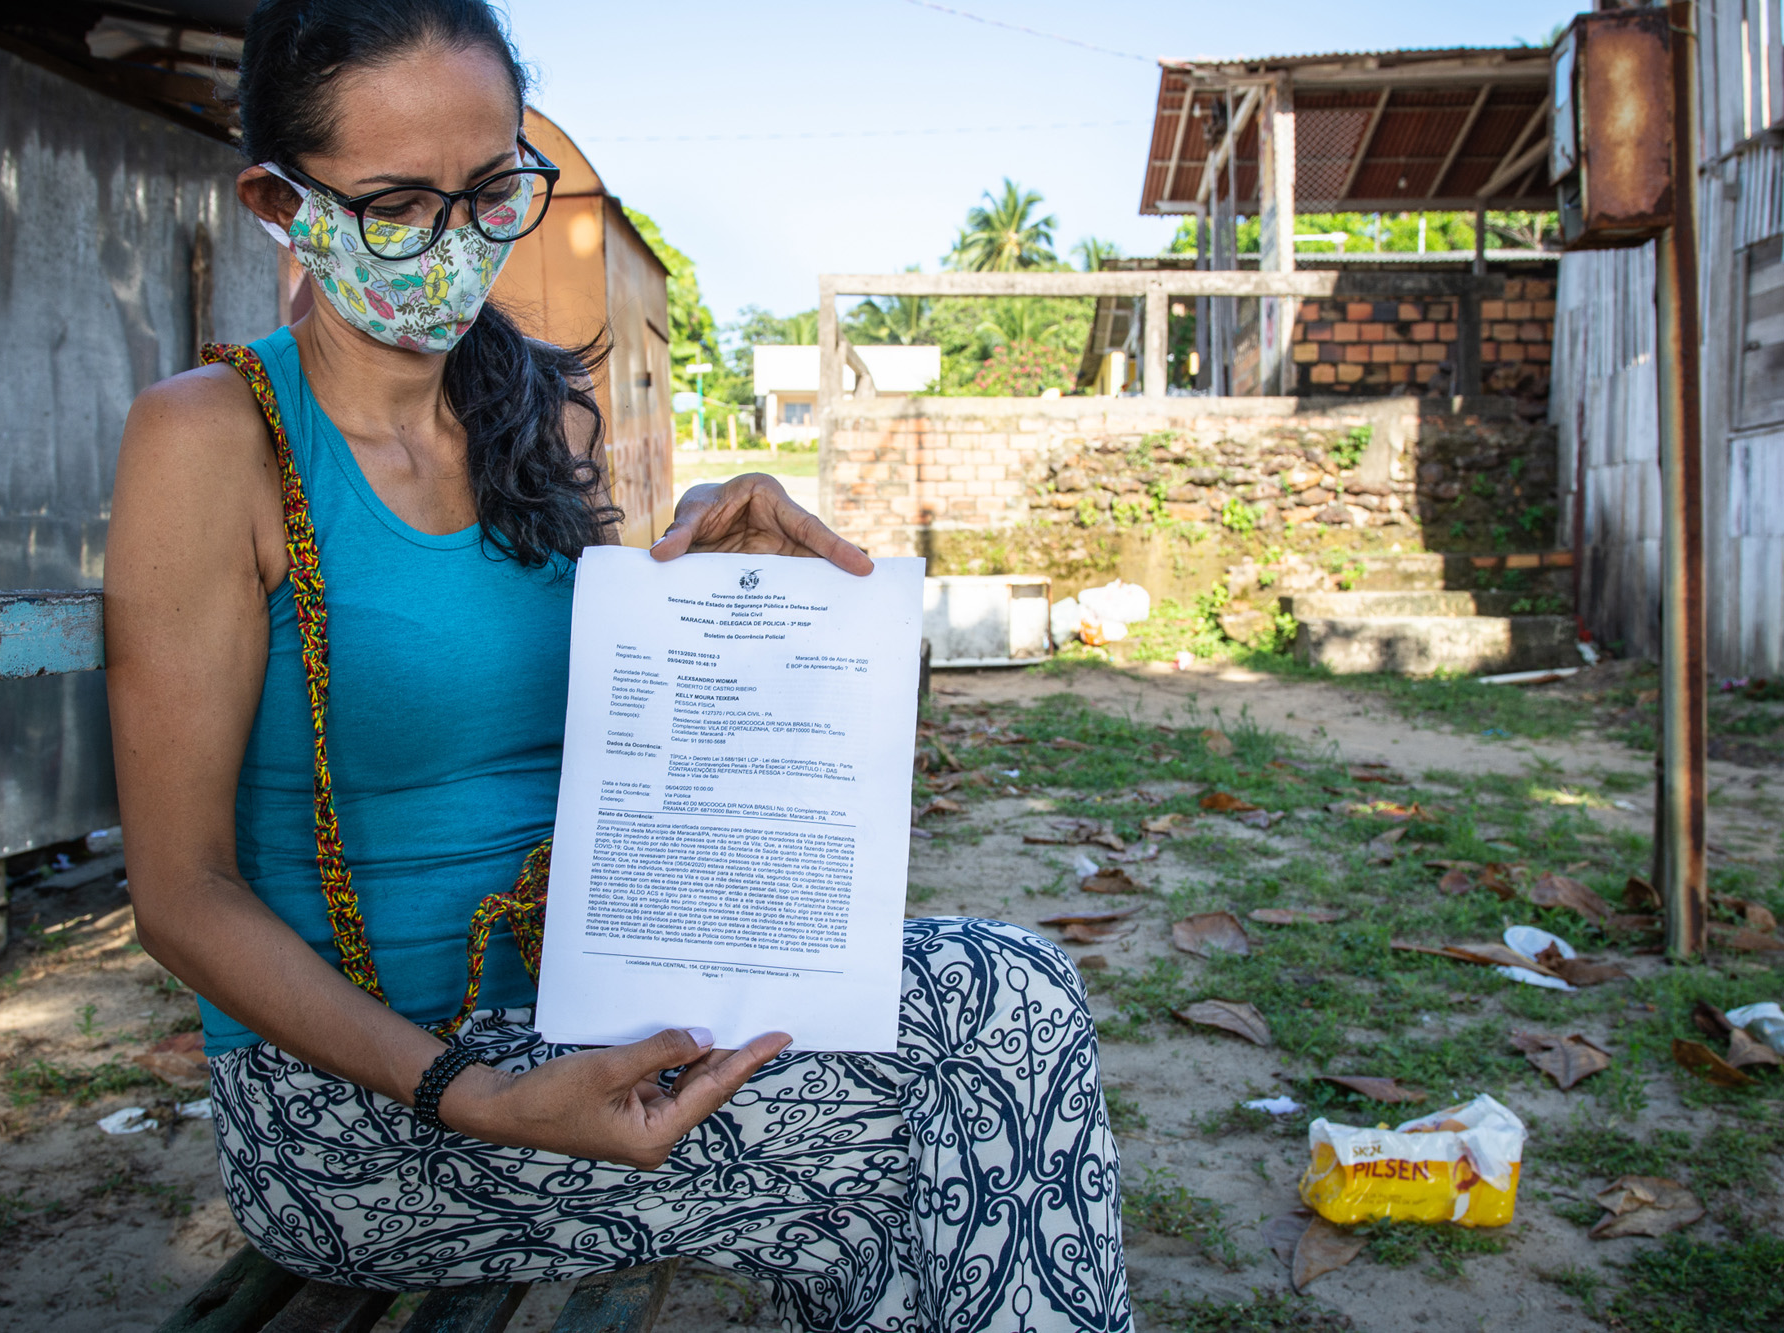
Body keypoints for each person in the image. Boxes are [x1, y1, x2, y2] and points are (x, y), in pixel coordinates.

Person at [104, 2, 1130, 1328]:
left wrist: (734, 601)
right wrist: (466, 1089)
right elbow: (179, 895)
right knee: (984, 1060)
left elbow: (615, 751)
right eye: (399, 205)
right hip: (366, 1109)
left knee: (1001, 1016)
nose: (456, 242)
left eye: (491, 192)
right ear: (278, 200)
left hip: (593, 1011)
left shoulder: (530, 407)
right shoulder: (213, 438)